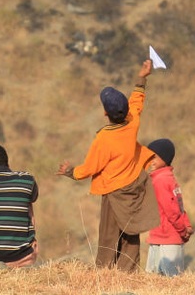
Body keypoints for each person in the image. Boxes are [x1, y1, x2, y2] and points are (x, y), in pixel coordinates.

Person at [56, 60, 160, 271]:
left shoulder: (104, 139)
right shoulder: (132, 123)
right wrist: (142, 77)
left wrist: (69, 171)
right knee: (131, 233)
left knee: (109, 234)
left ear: (105, 113)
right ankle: (128, 273)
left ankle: (104, 272)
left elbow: (89, 168)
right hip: (134, 188)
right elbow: (137, 101)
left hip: (114, 192)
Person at [145, 139, 193, 277]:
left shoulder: (161, 180)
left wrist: (183, 230)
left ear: (165, 159)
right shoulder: (165, 178)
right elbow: (180, 207)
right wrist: (186, 225)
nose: (151, 161)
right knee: (158, 280)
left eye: (154, 157)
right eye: (149, 157)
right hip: (161, 236)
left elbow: (173, 211)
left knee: (169, 280)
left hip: (167, 238)